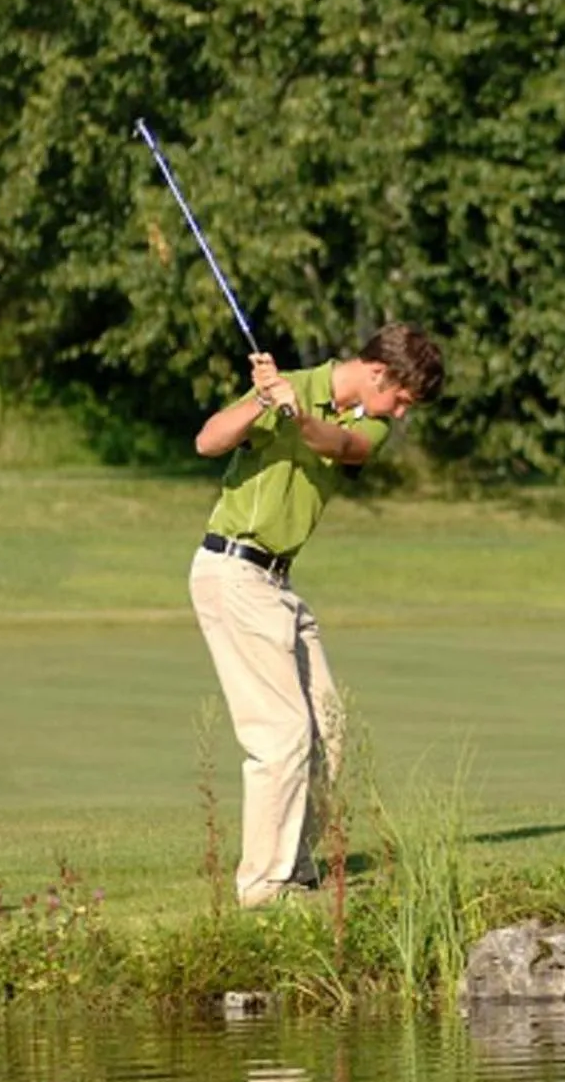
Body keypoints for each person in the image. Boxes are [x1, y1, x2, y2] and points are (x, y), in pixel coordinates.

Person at [190, 322, 444, 908]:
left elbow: (339, 446)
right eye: (402, 399)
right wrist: (262, 401)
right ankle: (263, 887)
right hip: (232, 569)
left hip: (277, 581)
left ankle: (297, 866)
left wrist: (298, 417)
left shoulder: (369, 425)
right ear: (378, 373)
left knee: (328, 726)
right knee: (279, 734)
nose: (401, 415)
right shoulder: (288, 384)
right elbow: (208, 442)